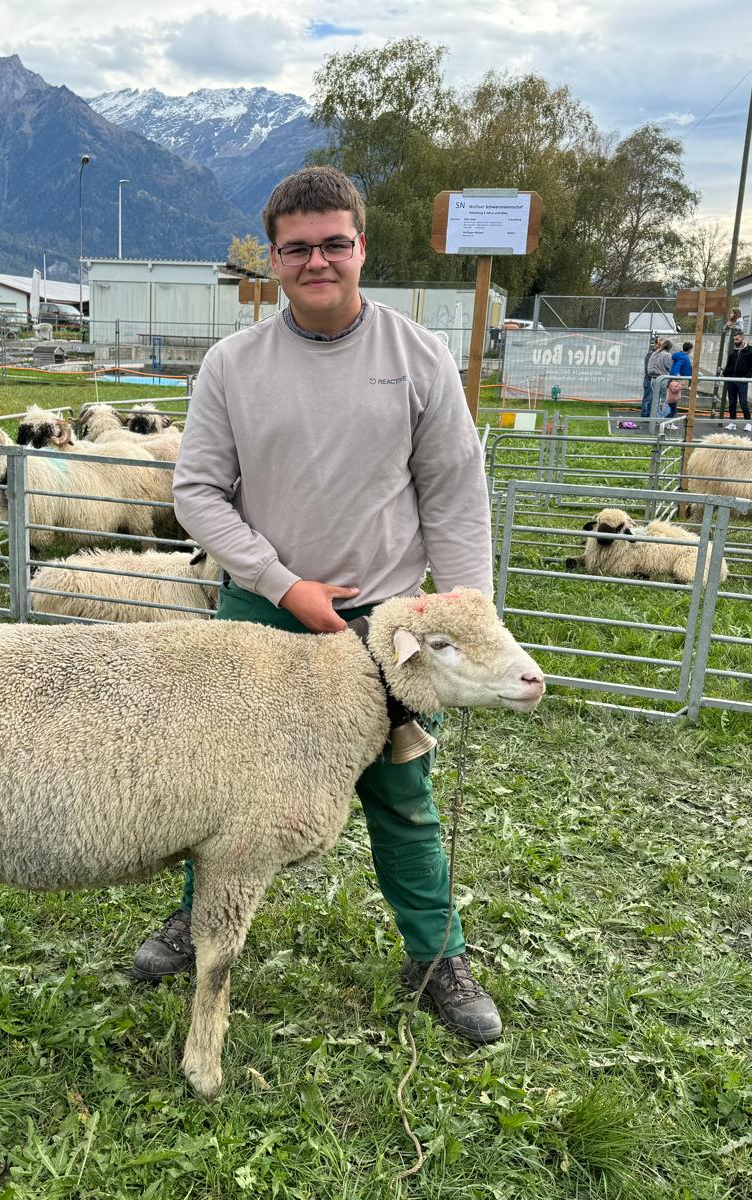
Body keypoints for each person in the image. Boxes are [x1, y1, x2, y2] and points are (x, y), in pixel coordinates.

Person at [131, 165, 504, 1043]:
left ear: (362, 247)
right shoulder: (234, 364)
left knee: (401, 788)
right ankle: (199, 923)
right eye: (297, 248)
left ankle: (435, 954)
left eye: (335, 243)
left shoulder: (417, 358)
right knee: (217, 784)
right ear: (273, 258)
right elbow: (199, 492)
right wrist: (280, 583)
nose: (318, 261)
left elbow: (454, 490)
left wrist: (462, 609)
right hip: (262, 616)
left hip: (389, 627)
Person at [723, 331, 752, 431]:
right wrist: (725, 375)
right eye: (734, 339)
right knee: (732, 402)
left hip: (742, 380)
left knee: (743, 402)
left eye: (737, 339)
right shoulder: (734, 351)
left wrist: (747, 377)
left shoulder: (751, 351)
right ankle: (732, 422)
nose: (735, 341)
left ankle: (748, 423)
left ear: (743, 339)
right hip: (731, 380)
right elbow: (729, 365)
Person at [666, 340, 693, 420]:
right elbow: (677, 367)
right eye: (691, 349)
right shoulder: (683, 357)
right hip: (679, 379)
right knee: (673, 404)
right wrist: (676, 375)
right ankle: (667, 421)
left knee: (672, 404)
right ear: (689, 349)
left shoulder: (681, 356)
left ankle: (666, 421)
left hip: (680, 378)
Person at [638, 334, 661, 419]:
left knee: (653, 399)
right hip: (649, 378)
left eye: (661, 345)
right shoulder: (650, 354)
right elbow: (647, 369)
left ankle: (649, 415)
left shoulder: (659, 355)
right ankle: (644, 415)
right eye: (658, 344)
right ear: (655, 344)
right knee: (647, 398)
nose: (659, 347)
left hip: (655, 379)